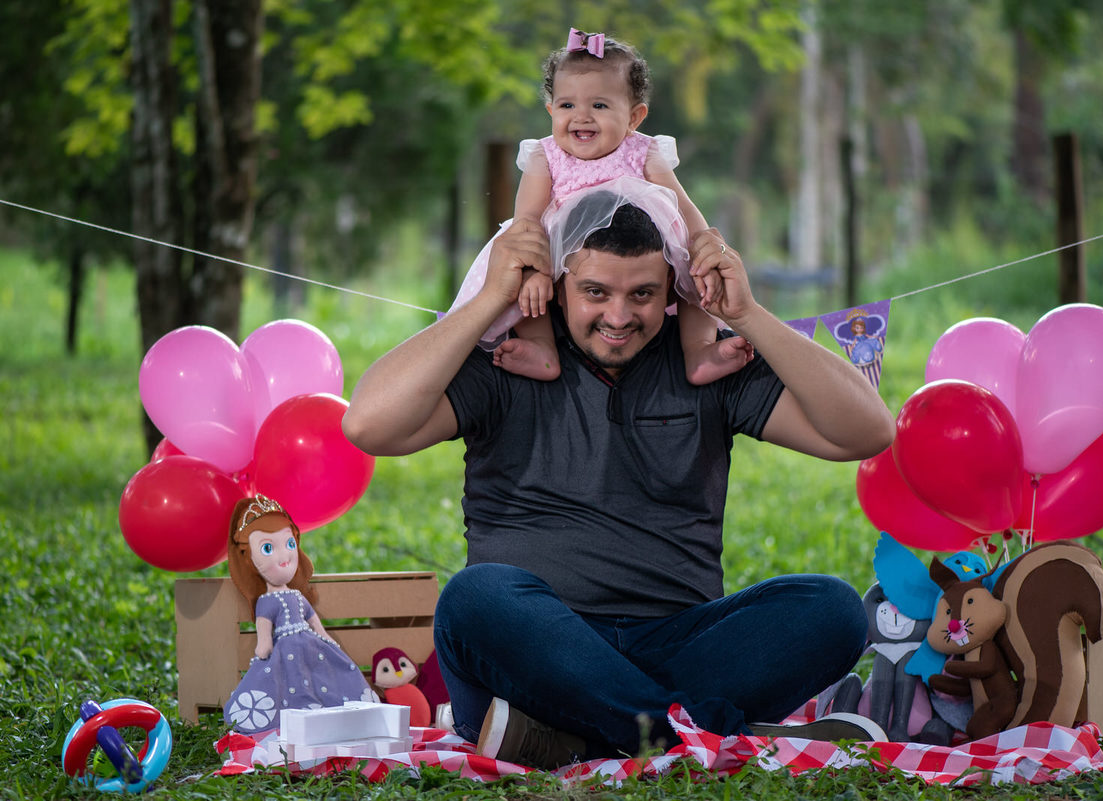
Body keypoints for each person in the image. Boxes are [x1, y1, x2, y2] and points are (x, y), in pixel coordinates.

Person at [342, 178, 896, 769]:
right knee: (475, 598)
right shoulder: (508, 357)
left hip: (674, 640)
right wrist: (485, 302)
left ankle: (595, 738)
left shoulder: (709, 363)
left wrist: (747, 313)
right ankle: (683, 737)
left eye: (643, 294)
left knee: (832, 608)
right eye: (595, 291)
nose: (618, 315)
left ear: (673, 291)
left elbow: (866, 432)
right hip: (534, 653)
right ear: (557, 285)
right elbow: (368, 426)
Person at [448, 28, 751, 385]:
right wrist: (534, 269)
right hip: (560, 249)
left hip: (645, 248)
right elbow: (529, 220)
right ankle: (542, 348)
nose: (582, 116)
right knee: (526, 286)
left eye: (600, 105)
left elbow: (681, 204)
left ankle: (698, 352)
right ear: (550, 110)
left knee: (695, 279)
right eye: (567, 105)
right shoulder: (544, 156)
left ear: (634, 117)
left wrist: (703, 244)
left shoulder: (643, 151)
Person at [222, 494, 378, 734]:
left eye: (290, 544)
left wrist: (324, 636)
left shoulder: (297, 596)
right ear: (250, 560)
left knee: (325, 678)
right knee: (291, 685)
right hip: (285, 651)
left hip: (312, 645)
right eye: (267, 548)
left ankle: (341, 714)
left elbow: (313, 619)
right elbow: (264, 634)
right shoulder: (266, 601)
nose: (284, 556)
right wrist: (263, 647)